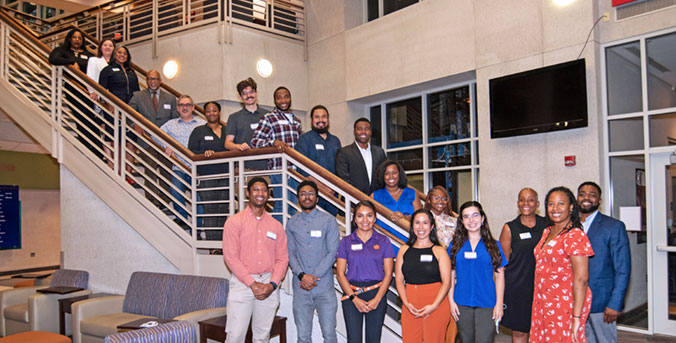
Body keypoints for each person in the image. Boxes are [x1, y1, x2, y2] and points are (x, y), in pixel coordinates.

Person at [222, 177, 289, 343]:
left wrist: (272, 285)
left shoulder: (276, 226)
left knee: (262, 337)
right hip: (242, 283)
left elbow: (282, 258)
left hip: (268, 283)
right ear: (247, 193)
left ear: (269, 194)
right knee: (235, 335)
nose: (260, 193)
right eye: (256, 190)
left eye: (264, 190)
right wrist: (252, 283)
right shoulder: (234, 222)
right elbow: (230, 257)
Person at [530, 187, 594, 343]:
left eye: (561, 204)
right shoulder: (547, 231)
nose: (555, 209)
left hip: (566, 304)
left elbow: (581, 279)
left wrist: (576, 317)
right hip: (543, 300)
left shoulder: (575, 235)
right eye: (551, 204)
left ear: (571, 207)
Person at [576, 182, 631, 343]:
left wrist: (615, 303)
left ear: (599, 200)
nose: (586, 198)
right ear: (577, 198)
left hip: (601, 302)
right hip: (574, 301)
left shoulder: (613, 227)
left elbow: (623, 269)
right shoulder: (570, 227)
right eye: (582, 194)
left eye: (592, 195)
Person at [286, 181, 340, 343]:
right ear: (298, 198)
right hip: (301, 289)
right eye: (303, 194)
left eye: (311, 194)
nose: (307, 197)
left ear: (317, 198)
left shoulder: (329, 221)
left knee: (329, 334)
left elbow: (333, 253)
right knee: (303, 336)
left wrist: (313, 277)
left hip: (324, 288)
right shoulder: (292, 223)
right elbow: (290, 253)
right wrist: (303, 276)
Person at [336, 200, 394, 343]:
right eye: (360, 216)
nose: (365, 220)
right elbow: (340, 274)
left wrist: (377, 299)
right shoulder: (346, 241)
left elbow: (388, 274)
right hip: (352, 294)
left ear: (374, 218)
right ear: (354, 219)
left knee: (373, 339)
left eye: (369, 216)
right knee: (353, 339)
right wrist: (354, 298)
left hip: (377, 293)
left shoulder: (383, 241)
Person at [448, 201, 507, 343]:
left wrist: (499, 303)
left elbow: (500, 276)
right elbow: (450, 274)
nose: (471, 220)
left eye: (475, 215)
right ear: (462, 221)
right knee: (465, 340)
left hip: (487, 303)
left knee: (484, 340)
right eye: (466, 217)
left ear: (482, 218)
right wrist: (451, 301)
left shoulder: (494, 245)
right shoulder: (455, 246)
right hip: (461, 302)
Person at [395, 209, 451, 343]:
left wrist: (434, 305)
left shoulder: (439, 251)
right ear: (412, 226)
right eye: (417, 223)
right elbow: (398, 280)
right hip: (410, 304)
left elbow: (447, 281)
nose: (421, 227)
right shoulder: (404, 250)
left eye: (425, 223)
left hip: (436, 304)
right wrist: (406, 303)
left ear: (432, 227)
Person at [498, 188, 546, 343]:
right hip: (517, 288)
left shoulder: (548, 225)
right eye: (522, 199)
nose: (526, 203)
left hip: (544, 287)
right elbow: (502, 264)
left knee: (545, 330)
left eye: (531, 199)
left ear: (537, 204)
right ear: (518, 203)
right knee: (520, 333)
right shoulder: (509, 227)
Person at [128, 69, 179, 206]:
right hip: (147, 139)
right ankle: (151, 201)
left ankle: (164, 200)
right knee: (150, 170)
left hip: (165, 142)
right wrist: (134, 124)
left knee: (166, 171)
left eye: (155, 79)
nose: (153, 81)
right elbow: (128, 113)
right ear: (146, 81)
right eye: (150, 79)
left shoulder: (170, 98)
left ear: (160, 81)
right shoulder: (137, 96)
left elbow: (175, 120)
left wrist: (172, 140)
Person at [250, 86, 302, 218]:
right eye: (279, 97)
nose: (283, 100)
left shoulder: (297, 121)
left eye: (286, 96)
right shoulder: (268, 118)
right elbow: (255, 142)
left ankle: (285, 237)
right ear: (275, 101)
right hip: (279, 169)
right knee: (281, 206)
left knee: (292, 207)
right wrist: (273, 142)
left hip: (295, 171)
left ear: (290, 99)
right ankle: (274, 237)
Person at [48, 28, 100, 159]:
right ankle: (87, 149)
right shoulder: (64, 51)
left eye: (80, 38)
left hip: (88, 90)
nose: (77, 40)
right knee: (81, 117)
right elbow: (53, 58)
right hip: (73, 89)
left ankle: (98, 151)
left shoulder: (89, 54)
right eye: (75, 37)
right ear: (70, 39)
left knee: (92, 119)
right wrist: (71, 62)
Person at [159, 95, 205, 226]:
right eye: (182, 105)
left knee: (199, 200)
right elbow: (155, 135)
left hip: (198, 169)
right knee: (175, 192)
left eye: (188, 105)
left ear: (193, 107)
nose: (185, 108)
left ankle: (198, 226)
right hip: (179, 167)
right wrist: (165, 146)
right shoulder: (170, 124)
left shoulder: (202, 123)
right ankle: (182, 217)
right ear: (178, 108)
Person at [98, 46, 140, 182]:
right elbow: (101, 90)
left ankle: (128, 173)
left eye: (125, 53)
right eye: (119, 52)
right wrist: (108, 103)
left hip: (130, 111)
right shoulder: (107, 70)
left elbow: (137, 92)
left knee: (130, 140)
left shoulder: (132, 72)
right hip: (114, 110)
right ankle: (115, 169)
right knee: (114, 139)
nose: (122, 55)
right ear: (115, 54)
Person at [188, 101, 228, 232]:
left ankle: (221, 245)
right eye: (208, 111)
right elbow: (191, 151)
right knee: (210, 210)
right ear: (205, 114)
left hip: (226, 175)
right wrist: (204, 154)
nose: (212, 113)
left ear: (219, 112)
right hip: (206, 177)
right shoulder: (198, 131)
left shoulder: (227, 130)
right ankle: (213, 248)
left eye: (214, 110)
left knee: (222, 209)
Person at [295, 105, 341, 215]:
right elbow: (302, 168)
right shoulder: (304, 139)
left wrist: (332, 189)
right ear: (312, 120)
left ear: (328, 119)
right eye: (317, 117)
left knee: (331, 225)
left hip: (332, 195)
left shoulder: (335, 141)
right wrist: (322, 188)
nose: (321, 120)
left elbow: (341, 167)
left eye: (324, 117)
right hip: (312, 193)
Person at [371, 160, 422, 241]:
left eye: (394, 173)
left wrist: (404, 217)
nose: (391, 176)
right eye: (387, 173)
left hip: (408, 239)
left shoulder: (412, 193)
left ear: (400, 174)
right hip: (383, 239)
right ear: (382, 176)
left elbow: (421, 218)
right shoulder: (375, 196)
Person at [335, 118, 387, 196]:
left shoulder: (380, 152)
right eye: (359, 129)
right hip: (353, 201)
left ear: (370, 132)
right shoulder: (344, 153)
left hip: (377, 201)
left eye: (367, 129)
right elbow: (344, 179)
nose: (363, 132)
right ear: (354, 132)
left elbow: (384, 175)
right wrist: (360, 197)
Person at [224, 77, 267, 170]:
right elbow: (227, 143)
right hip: (244, 168)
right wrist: (238, 146)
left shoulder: (268, 115)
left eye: (251, 92)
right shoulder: (234, 117)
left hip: (267, 167)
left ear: (256, 93)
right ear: (240, 97)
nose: (249, 95)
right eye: (244, 93)